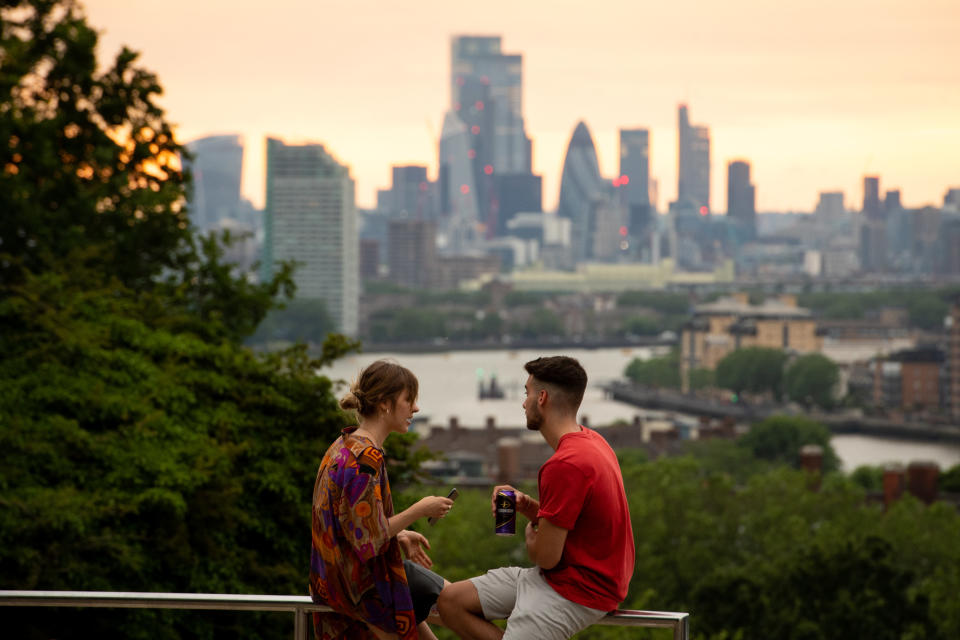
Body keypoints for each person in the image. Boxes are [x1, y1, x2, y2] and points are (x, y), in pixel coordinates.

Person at [437, 356, 635, 640]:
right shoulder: (593, 442)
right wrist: (529, 507)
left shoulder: (564, 464)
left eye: (526, 393)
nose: (523, 402)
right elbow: (571, 522)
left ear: (542, 398)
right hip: (571, 577)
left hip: (579, 590)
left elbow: (546, 556)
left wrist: (532, 535)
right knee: (450, 602)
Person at [310, 360, 454, 640]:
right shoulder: (365, 459)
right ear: (385, 403)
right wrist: (421, 509)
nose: (415, 408)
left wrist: (398, 533)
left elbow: (350, 522)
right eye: (409, 399)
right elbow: (369, 538)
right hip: (361, 594)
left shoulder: (343, 445)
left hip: (333, 584)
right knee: (459, 605)